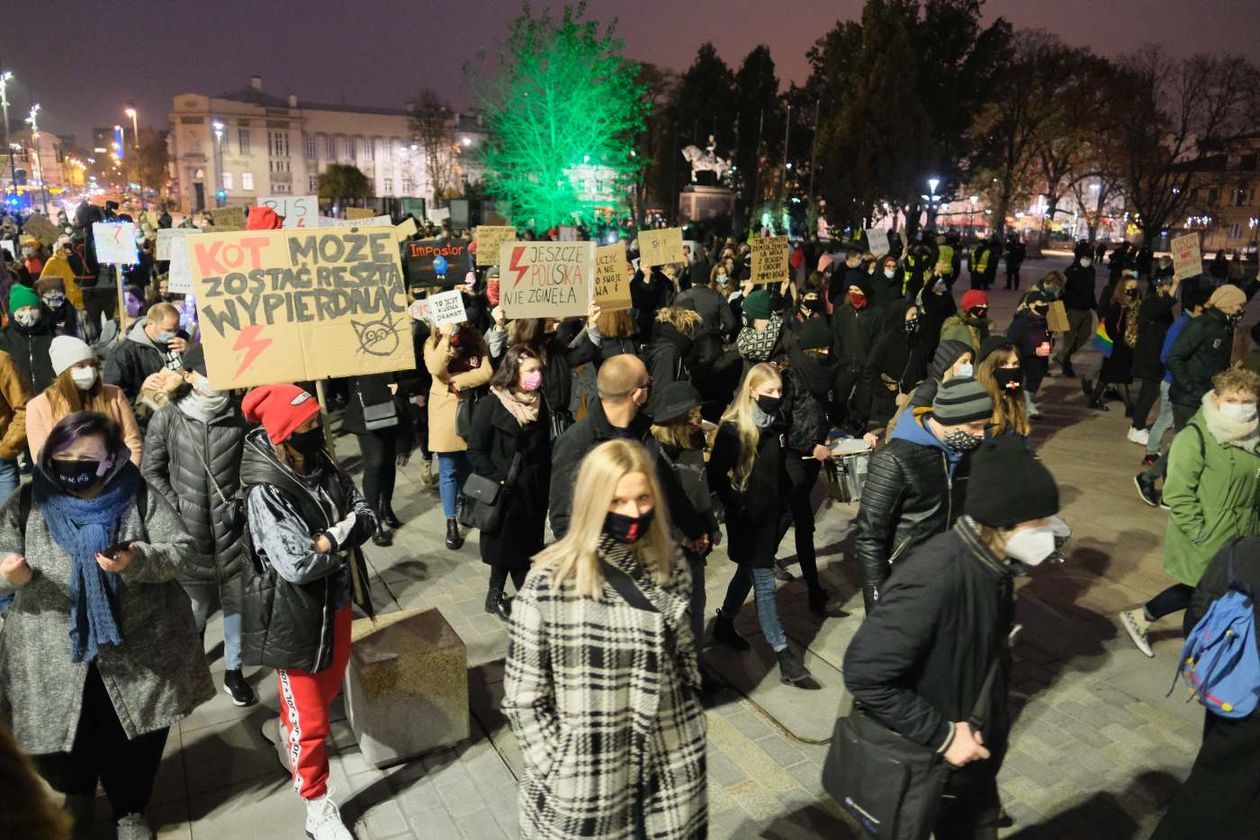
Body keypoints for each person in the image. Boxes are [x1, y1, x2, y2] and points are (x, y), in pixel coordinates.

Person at [0, 411, 212, 840]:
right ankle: (75, 792)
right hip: (52, 649)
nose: (74, 464)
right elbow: (3, 553)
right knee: (61, 738)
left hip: (138, 646)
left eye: (87, 456)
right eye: (65, 455)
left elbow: (182, 551)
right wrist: (12, 576)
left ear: (113, 458)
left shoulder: (137, 493)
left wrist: (138, 561)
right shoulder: (27, 501)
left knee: (132, 739)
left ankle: (129, 810)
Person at [844, 435, 1064, 838]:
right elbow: (865, 673)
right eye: (1041, 521)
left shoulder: (993, 568)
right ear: (1005, 522)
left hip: (970, 763)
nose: (1050, 531)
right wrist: (943, 735)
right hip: (929, 760)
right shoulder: (936, 577)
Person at [503, 439, 707, 839]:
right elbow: (523, 699)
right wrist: (562, 770)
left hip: (668, 773)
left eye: (643, 498)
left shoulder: (671, 568)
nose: (634, 513)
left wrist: (691, 726)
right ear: (593, 503)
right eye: (617, 502)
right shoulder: (550, 584)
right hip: (587, 788)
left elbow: (685, 662)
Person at [238, 384, 377, 840]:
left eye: (316, 423)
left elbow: (365, 513)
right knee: (313, 720)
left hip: (335, 604)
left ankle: (285, 728)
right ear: (281, 435)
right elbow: (297, 564)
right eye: (306, 428)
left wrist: (330, 538)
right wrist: (346, 534)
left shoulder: (323, 462)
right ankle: (316, 804)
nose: (316, 433)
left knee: (326, 691)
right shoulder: (266, 489)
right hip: (295, 618)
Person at [141, 343, 255, 706]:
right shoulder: (168, 417)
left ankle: (235, 671)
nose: (217, 380)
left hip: (233, 529)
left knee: (237, 605)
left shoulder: (240, 415)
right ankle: (191, 663)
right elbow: (152, 471)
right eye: (209, 372)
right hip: (187, 534)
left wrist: (242, 499)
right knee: (195, 608)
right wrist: (175, 509)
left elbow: (253, 464)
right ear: (190, 375)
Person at [1119, 368, 1260, 657]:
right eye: (1233, 400)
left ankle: (1143, 616)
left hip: (1242, 533)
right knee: (1203, 596)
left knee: (1204, 590)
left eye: (1249, 401)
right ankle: (1197, 660)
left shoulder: (1254, 437)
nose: (1242, 408)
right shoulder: (1196, 436)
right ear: (1217, 398)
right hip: (1206, 534)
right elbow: (1177, 493)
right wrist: (1199, 531)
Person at [707, 363, 814, 686]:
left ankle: (725, 621)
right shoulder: (733, 429)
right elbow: (715, 475)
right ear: (752, 390)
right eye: (769, 392)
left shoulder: (777, 422)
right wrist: (734, 504)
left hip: (772, 514)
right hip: (747, 517)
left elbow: (778, 466)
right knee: (765, 584)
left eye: (779, 391)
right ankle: (784, 656)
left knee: (748, 573)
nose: (775, 397)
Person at [1152, 534, 1260, 838]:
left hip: (1227, 690)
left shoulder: (1239, 548)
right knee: (1223, 794)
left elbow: (1197, 611)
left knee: (1213, 772)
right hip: (1253, 710)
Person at [854, 378, 992, 610]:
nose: (981, 435)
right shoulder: (894, 459)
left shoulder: (967, 451)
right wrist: (878, 607)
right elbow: (869, 538)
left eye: (984, 427)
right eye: (975, 426)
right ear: (949, 419)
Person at [548, 355, 704, 547]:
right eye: (649, 383)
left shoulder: (642, 431)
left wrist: (694, 530)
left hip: (654, 553)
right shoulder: (577, 442)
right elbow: (564, 519)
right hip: (610, 563)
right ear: (637, 395)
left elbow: (666, 485)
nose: (652, 388)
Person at [467, 345, 551, 621]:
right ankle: (528, 603)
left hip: (534, 491)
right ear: (514, 372)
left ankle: (494, 595)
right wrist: (500, 479)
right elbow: (476, 450)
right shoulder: (491, 404)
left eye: (538, 370)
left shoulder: (541, 403)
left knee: (518, 547)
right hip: (505, 492)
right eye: (530, 370)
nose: (536, 376)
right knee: (513, 550)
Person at [650, 381, 720, 663]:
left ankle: (695, 670)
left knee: (697, 605)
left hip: (696, 540)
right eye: (692, 416)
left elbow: (701, 491)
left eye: (698, 413)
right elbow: (662, 507)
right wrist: (685, 537)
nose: (699, 421)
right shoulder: (657, 455)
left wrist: (711, 527)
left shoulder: (693, 445)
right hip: (669, 546)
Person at [781, 324, 840, 612]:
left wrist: (838, 431)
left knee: (795, 519)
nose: (827, 354)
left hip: (815, 455)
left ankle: (811, 588)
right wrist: (809, 446)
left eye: (829, 348)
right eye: (821, 350)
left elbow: (828, 410)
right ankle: (814, 591)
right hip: (793, 459)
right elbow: (783, 426)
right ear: (808, 351)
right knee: (800, 520)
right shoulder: (789, 378)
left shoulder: (824, 374)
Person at [423, 321, 492, 550]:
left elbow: (487, 371)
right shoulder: (432, 342)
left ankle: (467, 506)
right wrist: (445, 338)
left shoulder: (474, 338)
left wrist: (457, 381)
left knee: (471, 466)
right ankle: (450, 520)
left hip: (473, 408)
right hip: (445, 413)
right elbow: (435, 368)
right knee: (448, 469)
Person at [27, 335, 143, 466]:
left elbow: (132, 441)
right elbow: (41, 457)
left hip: (115, 478)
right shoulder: (39, 406)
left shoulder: (114, 394)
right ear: (64, 372)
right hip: (67, 480)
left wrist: (127, 478)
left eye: (92, 364)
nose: (90, 371)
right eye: (80, 366)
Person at [340, 372, 417, 547]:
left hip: (395, 408)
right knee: (375, 463)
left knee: (389, 462)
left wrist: (402, 387)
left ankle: (386, 508)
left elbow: (418, 374)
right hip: (367, 407)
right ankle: (373, 516)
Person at [1128, 273, 1181, 445]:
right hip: (1149, 357)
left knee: (1147, 392)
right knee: (1149, 393)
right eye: (1166, 287)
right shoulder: (1150, 304)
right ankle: (1137, 427)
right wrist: (1175, 284)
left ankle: (1136, 425)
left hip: (1155, 357)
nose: (1170, 292)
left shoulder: (1161, 308)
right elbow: (1165, 302)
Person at [103, 302, 188, 403]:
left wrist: (189, 351)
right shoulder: (124, 351)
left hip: (183, 404)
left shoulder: (182, 338)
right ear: (151, 323)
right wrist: (141, 392)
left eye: (176, 329)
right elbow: (114, 394)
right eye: (167, 330)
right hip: (148, 410)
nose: (172, 333)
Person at [1085, 271, 1142, 413]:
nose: (1133, 290)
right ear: (1123, 288)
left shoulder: (1133, 306)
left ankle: (1093, 400)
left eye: (1135, 286)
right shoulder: (1118, 306)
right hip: (1119, 347)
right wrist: (1119, 341)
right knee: (1120, 377)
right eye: (1130, 287)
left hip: (1124, 347)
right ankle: (1129, 407)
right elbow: (1111, 326)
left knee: (1107, 375)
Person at [0, 284, 57, 396]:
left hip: (50, 397)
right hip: (19, 400)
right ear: (13, 312)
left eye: (32, 308)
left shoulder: (53, 334)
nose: (28, 313)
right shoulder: (3, 338)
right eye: (22, 309)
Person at [1006, 292, 1054, 419]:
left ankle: (1028, 404)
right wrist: (1034, 351)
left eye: (1046, 304)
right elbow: (1012, 343)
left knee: (1034, 385)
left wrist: (1048, 345)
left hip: (1039, 363)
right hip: (1024, 362)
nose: (1044, 307)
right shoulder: (1021, 323)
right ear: (1031, 305)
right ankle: (1022, 412)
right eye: (1041, 304)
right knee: (1021, 388)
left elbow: (1048, 337)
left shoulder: (1045, 321)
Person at [1056, 243, 1098, 378]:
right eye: (1085, 257)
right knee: (1069, 339)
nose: (1087, 260)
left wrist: (1094, 306)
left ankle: (1062, 356)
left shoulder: (1092, 271)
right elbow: (1062, 291)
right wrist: (1063, 308)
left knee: (1084, 336)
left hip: (1086, 309)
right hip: (1073, 310)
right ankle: (1066, 364)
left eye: (1090, 258)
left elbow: (1091, 290)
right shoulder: (1070, 271)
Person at [975, 337, 1031, 437]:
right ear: (989, 368)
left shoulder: (1021, 397)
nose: (1010, 369)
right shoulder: (976, 398)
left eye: (1015, 364)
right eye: (1002, 364)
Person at [0, 349, 28, 502]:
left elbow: (24, 409)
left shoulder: (2, 361)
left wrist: (7, 448)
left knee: (6, 524)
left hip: (2, 467)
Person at [939, 290, 990, 354]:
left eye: (986, 304)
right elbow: (945, 351)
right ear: (970, 307)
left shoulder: (983, 326)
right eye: (981, 304)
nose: (985, 307)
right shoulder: (956, 328)